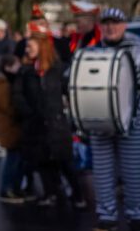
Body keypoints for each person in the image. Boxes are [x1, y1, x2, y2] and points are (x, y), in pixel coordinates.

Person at [88, 8, 140, 231]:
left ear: (124, 25)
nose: (110, 27)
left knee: (134, 170)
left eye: (115, 23)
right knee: (102, 170)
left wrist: (132, 70)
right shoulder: (94, 50)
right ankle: (107, 216)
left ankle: (137, 217)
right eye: (106, 23)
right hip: (99, 115)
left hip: (132, 116)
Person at [13, 25, 86, 209]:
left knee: (65, 162)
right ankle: (50, 192)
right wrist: (28, 114)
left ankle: (78, 195)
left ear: (42, 46)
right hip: (35, 124)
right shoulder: (26, 71)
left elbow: (70, 92)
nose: (27, 49)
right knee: (42, 162)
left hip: (56, 123)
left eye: (31, 45)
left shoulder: (58, 69)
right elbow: (18, 95)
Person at [0, 54, 26, 203]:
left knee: (16, 157)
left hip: (11, 125)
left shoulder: (4, 82)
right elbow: (7, 106)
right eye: (16, 65)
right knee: (12, 158)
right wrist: (21, 111)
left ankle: (13, 188)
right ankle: (6, 189)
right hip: (9, 126)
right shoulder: (2, 83)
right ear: (7, 67)